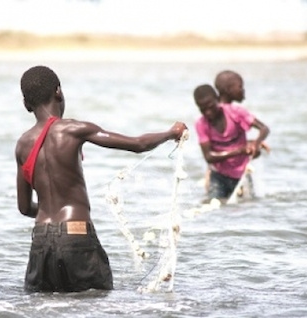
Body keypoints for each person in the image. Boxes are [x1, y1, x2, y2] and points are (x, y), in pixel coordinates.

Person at [15, 65, 188, 293]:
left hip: (40, 240)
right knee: (95, 302)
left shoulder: (22, 144)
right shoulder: (74, 129)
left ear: (27, 105)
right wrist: (170, 133)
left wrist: (51, 211)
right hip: (76, 234)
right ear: (58, 91)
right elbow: (138, 145)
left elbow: (25, 207)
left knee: (45, 306)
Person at [193, 84, 269, 203]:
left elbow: (264, 128)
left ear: (218, 99)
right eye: (203, 110)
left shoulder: (235, 112)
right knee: (214, 207)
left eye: (211, 106)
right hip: (218, 177)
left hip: (242, 175)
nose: (208, 112)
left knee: (249, 207)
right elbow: (209, 157)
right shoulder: (201, 124)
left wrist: (256, 143)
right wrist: (240, 151)